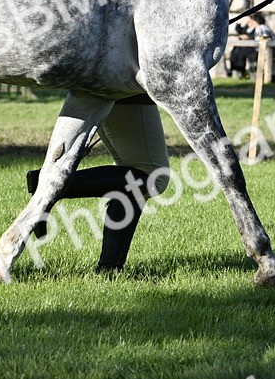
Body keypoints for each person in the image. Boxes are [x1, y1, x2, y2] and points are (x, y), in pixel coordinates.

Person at [25, 95, 169, 272]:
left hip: (113, 95)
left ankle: (110, 267)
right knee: (153, 178)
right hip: (129, 95)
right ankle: (50, 183)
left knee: (131, 185)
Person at [227, 12, 275, 78]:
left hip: (267, 50)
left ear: (255, 21)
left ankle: (251, 74)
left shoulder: (262, 28)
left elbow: (267, 38)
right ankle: (242, 73)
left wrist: (258, 39)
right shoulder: (259, 28)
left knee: (247, 54)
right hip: (259, 48)